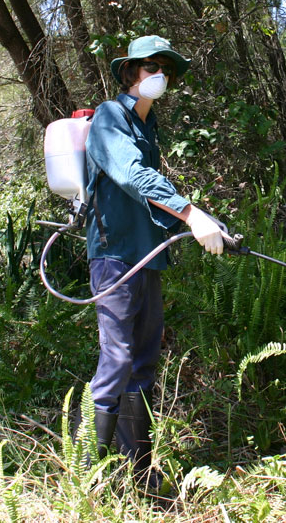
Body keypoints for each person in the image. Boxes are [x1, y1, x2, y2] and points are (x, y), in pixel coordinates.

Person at [82, 34, 225, 492]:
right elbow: (131, 174)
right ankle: (91, 474)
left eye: (164, 68)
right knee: (118, 357)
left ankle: (137, 472)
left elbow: (153, 196)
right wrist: (190, 211)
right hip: (114, 258)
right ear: (130, 74)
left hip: (148, 259)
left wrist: (211, 224)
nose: (158, 75)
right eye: (149, 67)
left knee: (143, 362)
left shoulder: (149, 129)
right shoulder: (110, 117)